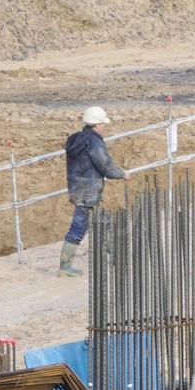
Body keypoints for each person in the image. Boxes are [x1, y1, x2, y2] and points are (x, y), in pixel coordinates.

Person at [59, 106, 126, 277]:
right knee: (79, 225)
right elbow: (105, 165)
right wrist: (121, 174)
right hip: (88, 189)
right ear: (97, 125)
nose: (104, 127)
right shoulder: (94, 142)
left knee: (104, 219)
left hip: (77, 186)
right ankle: (65, 267)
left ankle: (114, 257)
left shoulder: (76, 139)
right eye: (103, 124)